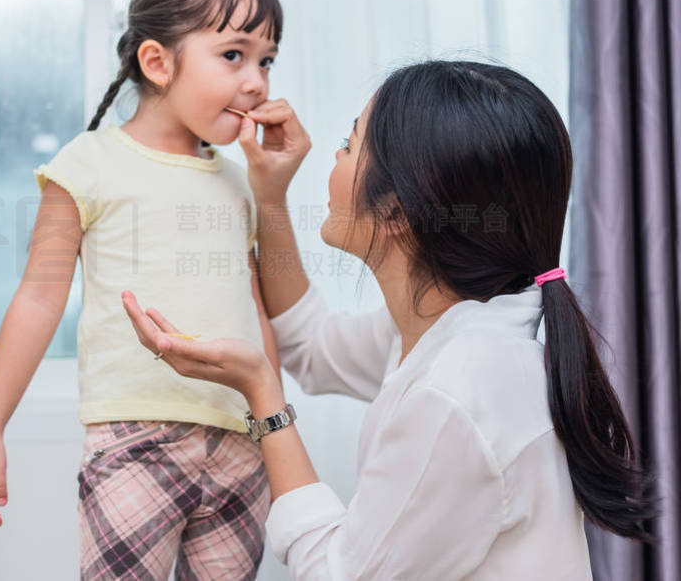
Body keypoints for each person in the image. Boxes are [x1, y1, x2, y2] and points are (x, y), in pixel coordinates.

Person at [122, 60, 659, 579]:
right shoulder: (447, 331)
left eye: (349, 144)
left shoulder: (460, 391)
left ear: (398, 212)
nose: (333, 157)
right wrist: (270, 196)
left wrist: (262, 394)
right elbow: (310, 347)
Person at [0, 0, 289, 579]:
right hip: (135, 443)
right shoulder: (87, 164)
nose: (257, 81)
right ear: (158, 62)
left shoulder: (241, 181)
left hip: (240, 449)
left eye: (267, 60)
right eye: (234, 55)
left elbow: (254, 308)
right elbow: (37, 299)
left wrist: (276, 432)